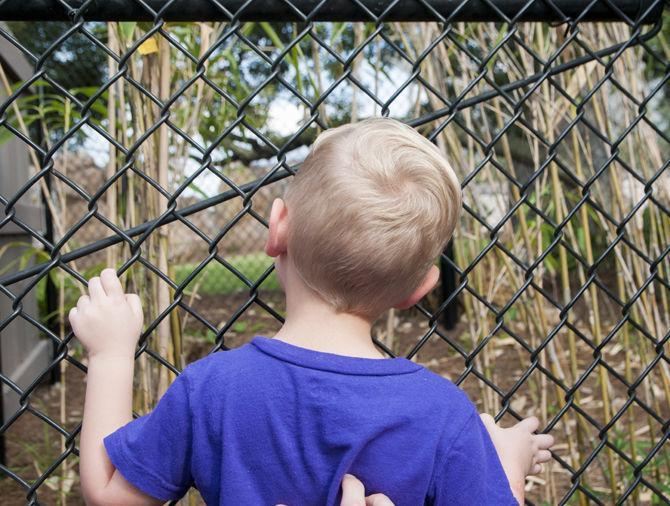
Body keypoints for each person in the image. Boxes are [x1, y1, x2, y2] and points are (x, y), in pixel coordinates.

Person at [70, 118, 553, 506]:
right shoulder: (442, 413)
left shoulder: (211, 390)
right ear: (421, 289)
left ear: (277, 227)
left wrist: (111, 356)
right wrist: (506, 464)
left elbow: (107, 492)